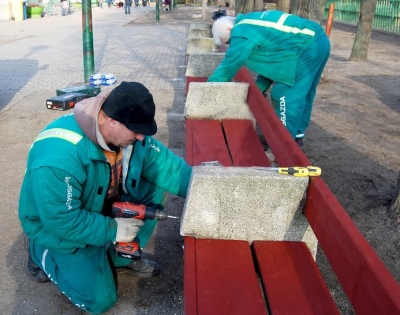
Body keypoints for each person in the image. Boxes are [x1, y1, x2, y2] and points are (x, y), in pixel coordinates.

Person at [19, 82, 192, 314]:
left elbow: (171, 170)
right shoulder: (58, 157)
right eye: (136, 129)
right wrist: (113, 229)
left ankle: (119, 257)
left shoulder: (126, 132)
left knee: (156, 179)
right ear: (111, 121)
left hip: (96, 206)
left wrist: (206, 190)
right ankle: (40, 252)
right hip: (56, 226)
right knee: (99, 301)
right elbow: (61, 218)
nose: (142, 136)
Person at [208, 11, 330, 147]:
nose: (231, 44)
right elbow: (274, 60)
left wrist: (207, 90)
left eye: (229, 41)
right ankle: (296, 137)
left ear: (229, 30)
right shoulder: (251, 23)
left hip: (306, 47)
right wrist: (260, 87)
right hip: (318, 41)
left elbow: (228, 65)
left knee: (284, 93)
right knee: (304, 92)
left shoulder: (241, 33)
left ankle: (284, 144)